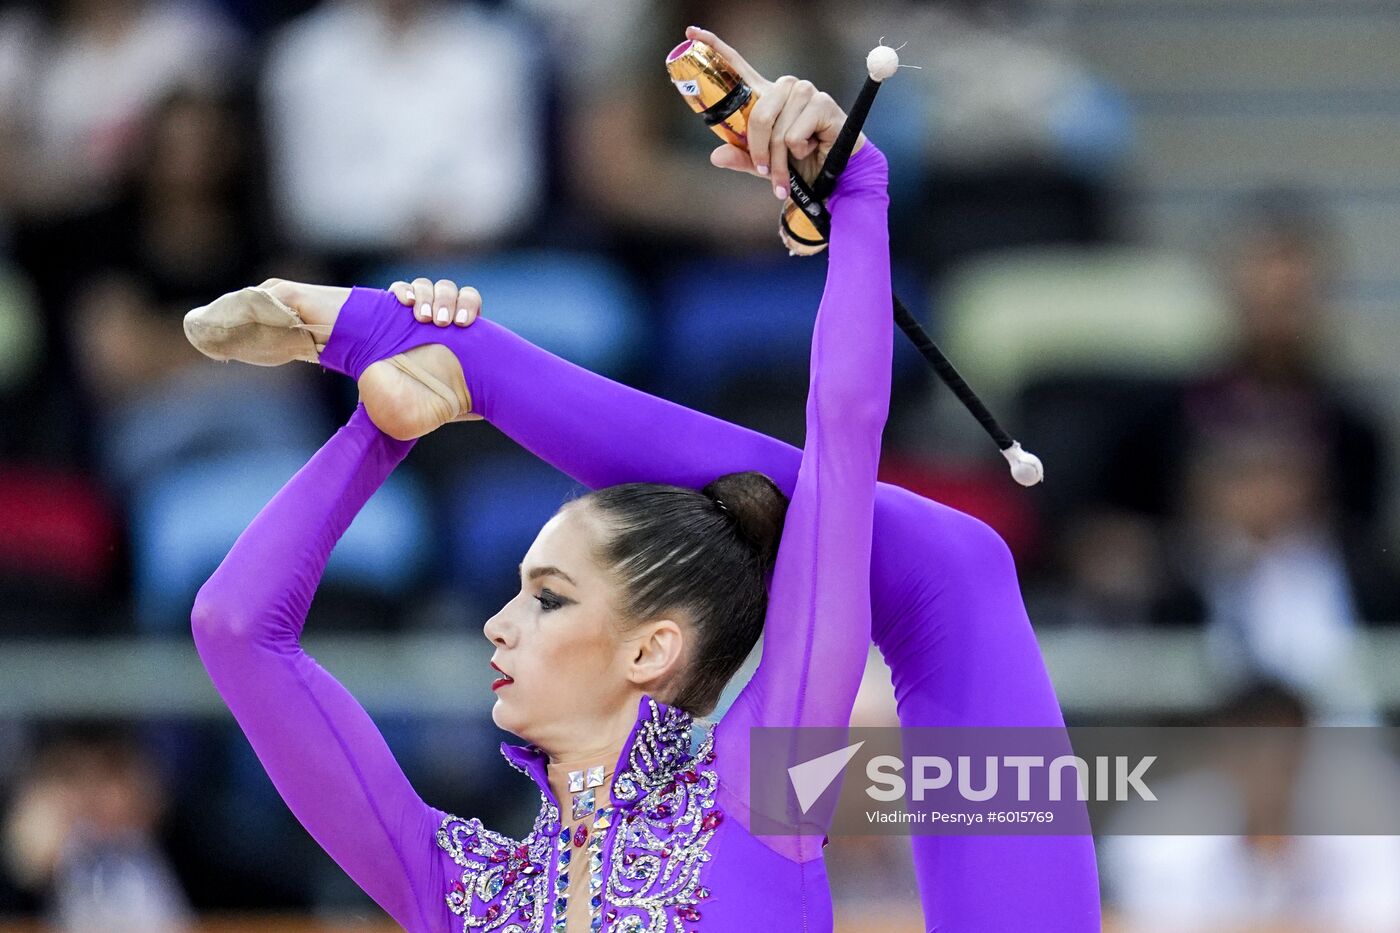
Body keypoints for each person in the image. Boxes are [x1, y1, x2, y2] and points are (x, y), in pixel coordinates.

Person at [188, 28, 1100, 930]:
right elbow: (234, 628)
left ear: (653, 647)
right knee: (945, 560)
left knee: (947, 563)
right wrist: (376, 429)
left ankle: (465, 363)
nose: (495, 624)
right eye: (536, 596)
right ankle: (459, 365)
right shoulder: (469, 888)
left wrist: (860, 195)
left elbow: (842, 437)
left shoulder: (755, 799)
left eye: (544, 597)